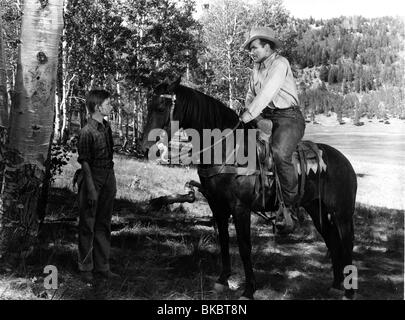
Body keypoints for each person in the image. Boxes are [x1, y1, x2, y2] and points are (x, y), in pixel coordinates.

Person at [240, 26, 306, 234]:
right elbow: (251, 96)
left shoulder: (280, 64)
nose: (252, 52)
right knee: (241, 145)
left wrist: (249, 115)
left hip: (289, 118)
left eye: (255, 48)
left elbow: (267, 93)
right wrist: (249, 115)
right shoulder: (256, 69)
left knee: (279, 152)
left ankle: (290, 206)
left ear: (268, 47)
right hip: (266, 116)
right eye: (250, 49)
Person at [76, 89, 119, 282]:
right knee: (88, 223)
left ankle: (102, 266)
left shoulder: (106, 127)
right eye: (108, 103)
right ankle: (86, 268)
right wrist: (91, 188)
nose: (111, 106)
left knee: (104, 223)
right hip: (92, 177)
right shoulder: (86, 131)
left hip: (109, 175)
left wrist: (111, 181)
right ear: (97, 106)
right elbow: (84, 161)